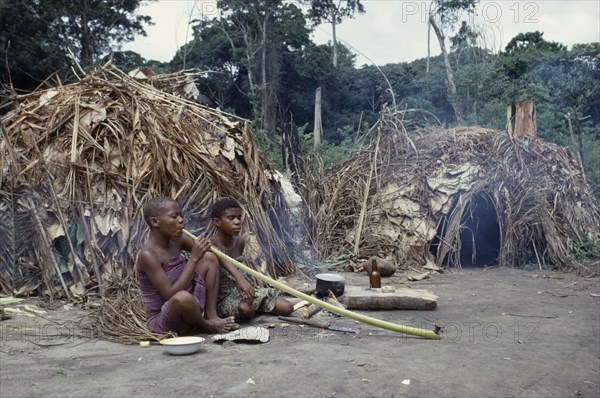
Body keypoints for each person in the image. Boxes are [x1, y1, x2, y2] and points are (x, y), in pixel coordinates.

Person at [136, 197, 239, 334]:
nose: (181, 220)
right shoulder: (148, 255)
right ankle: (206, 325)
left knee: (209, 258)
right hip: (166, 317)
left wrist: (238, 277)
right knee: (183, 297)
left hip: (190, 309)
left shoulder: (177, 240)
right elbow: (171, 294)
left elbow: (213, 251)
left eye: (181, 215)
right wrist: (194, 258)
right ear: (155, 222)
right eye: (174, 216)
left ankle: (211, 316)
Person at [199, 197, 294, 322]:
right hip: (225, 299)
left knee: (287, 308)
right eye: (231, 218)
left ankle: (255, 306)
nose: (237, 222)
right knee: (245, 310)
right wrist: (240, 279)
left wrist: (249, 293)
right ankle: (252, 308)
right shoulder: (210, 244)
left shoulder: (240, 242)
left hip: (246, 294)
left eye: (239, 217)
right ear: (217, 222)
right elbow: (223, 261)